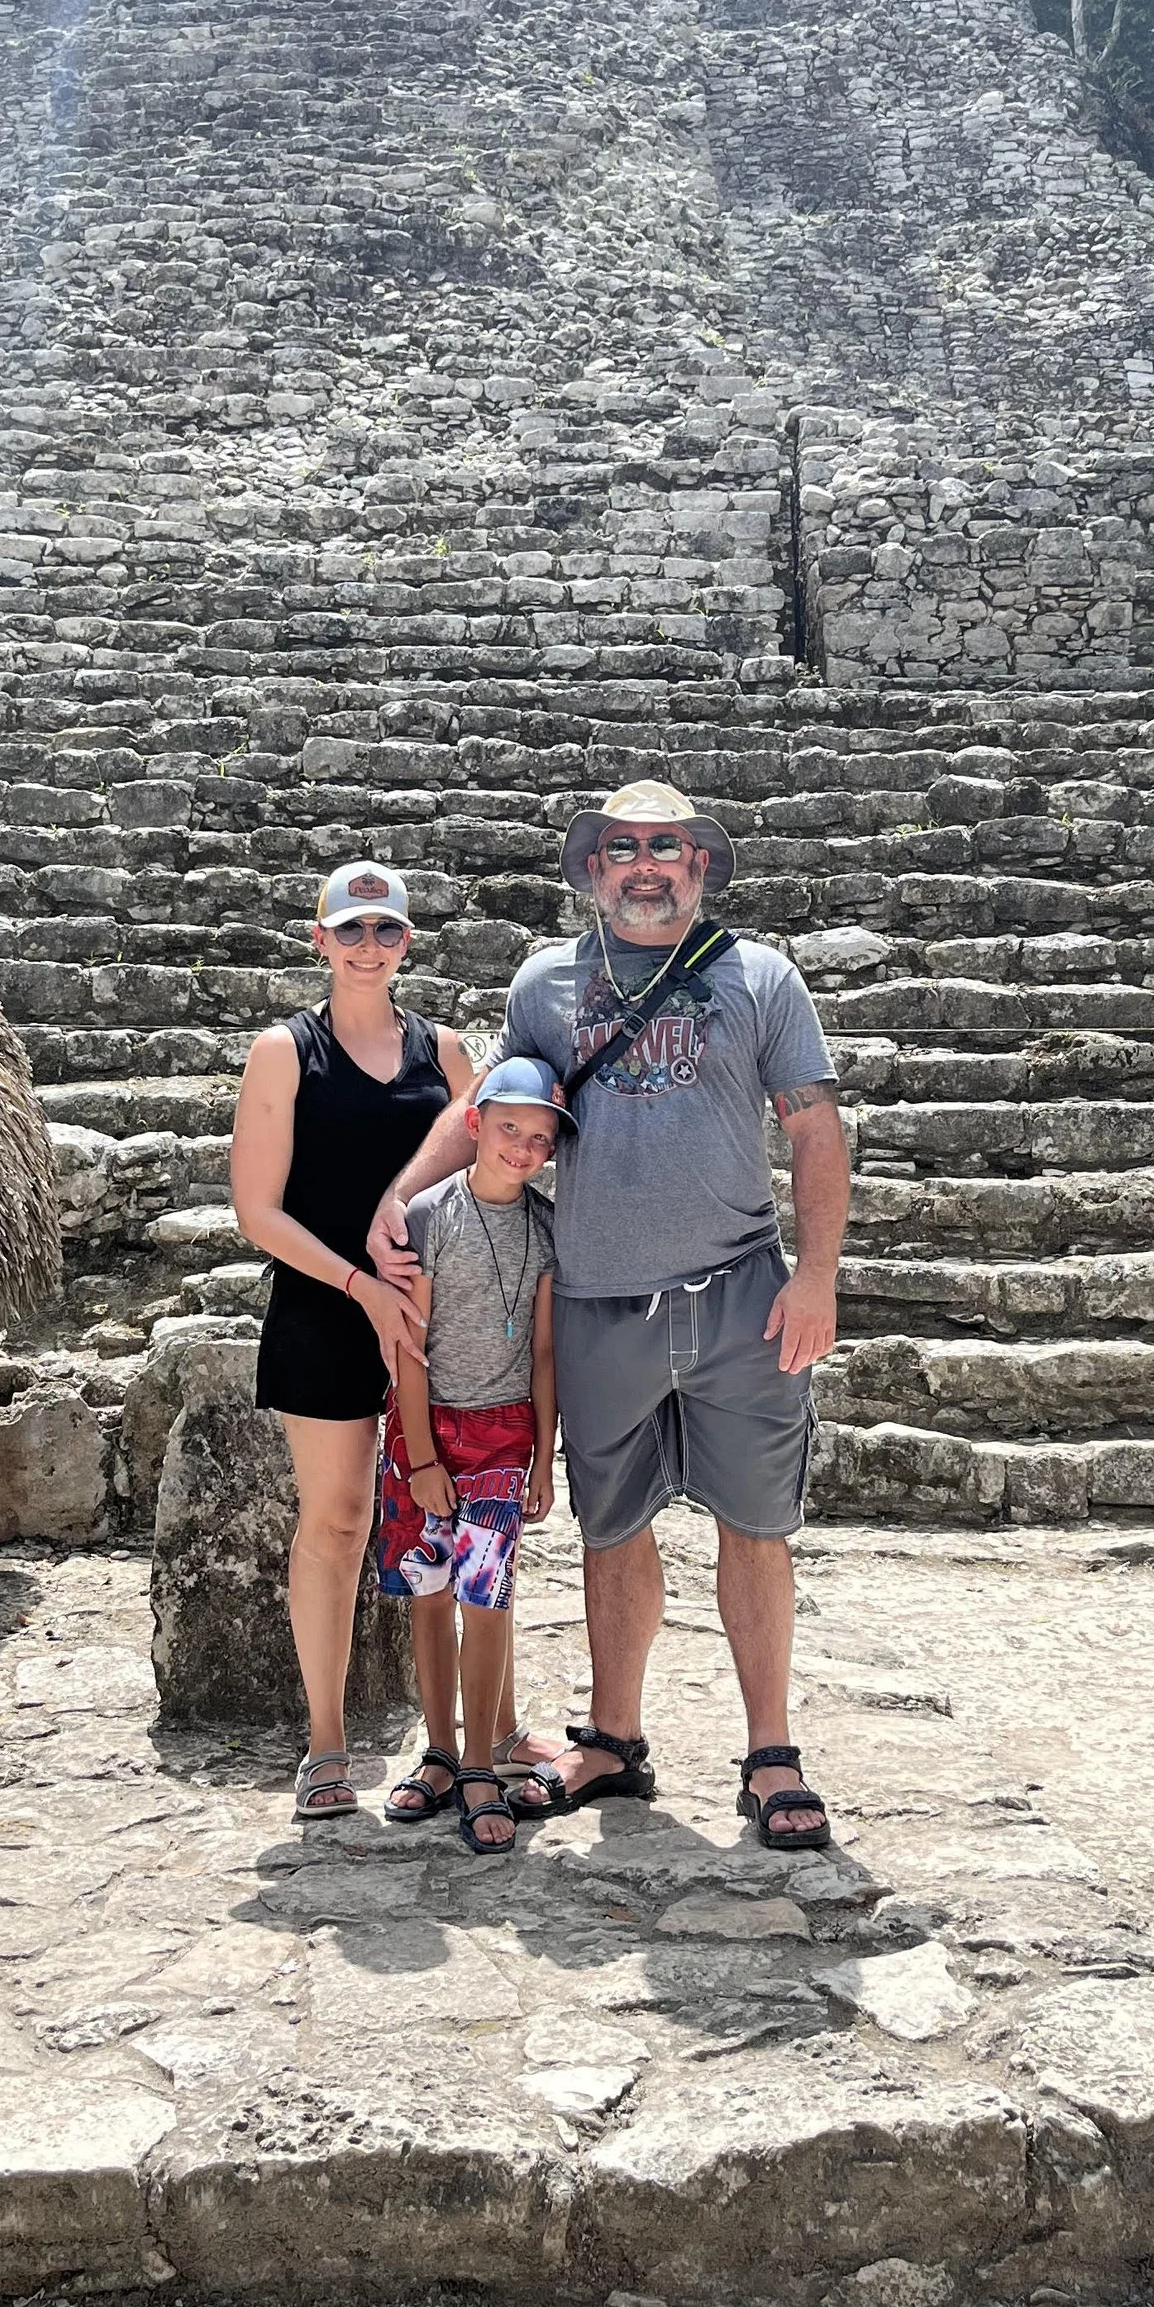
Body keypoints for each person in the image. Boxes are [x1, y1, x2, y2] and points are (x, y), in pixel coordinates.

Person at [373, 781, 851, 1851]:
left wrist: (815, 1275)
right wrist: (399, 1199)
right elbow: (494, 1105)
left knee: (757, 1524)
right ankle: (615, 1740)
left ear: (699, 866)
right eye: (622, 848)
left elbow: (814, 1127)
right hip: (594, 1295)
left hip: (738, 1288)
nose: (644, 865)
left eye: (666, 847)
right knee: (612, 1524)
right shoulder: (546, 983)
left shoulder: (760, 976)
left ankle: (770, 1748)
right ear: (592, 870)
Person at [231, 863, 467, 1819]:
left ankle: (467, 1733)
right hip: (327, 1310)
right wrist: (359, 1284)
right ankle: (326, 1742)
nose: (371, 947)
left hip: (431, 1320)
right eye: (353, 930)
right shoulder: (284, 1051)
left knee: (454, 1517)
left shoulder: (446, 1053)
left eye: (389, 932)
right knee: (333, 1522)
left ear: (407, 943)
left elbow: (477, 1165)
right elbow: (257, 1209)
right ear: (319, 940)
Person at [374, 1057, 566, 1856]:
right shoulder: (428, 1216)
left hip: (503, 1438)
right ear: (476, 1124)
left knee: (486, 1598)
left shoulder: (547, 1228)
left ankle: (484, 1762)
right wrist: (419, 1455)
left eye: (540, 1138)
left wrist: (543, 1457)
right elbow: (408, 1349)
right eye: (509, 1128)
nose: (521, 1147)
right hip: (425, 1434)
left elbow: (547, 1351)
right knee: (428, 1593)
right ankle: (443, 1750)